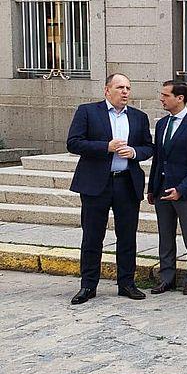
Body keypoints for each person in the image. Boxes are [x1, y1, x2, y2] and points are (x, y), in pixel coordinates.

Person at [66, 74, 153, 304]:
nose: (125, 92)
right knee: (93, 236)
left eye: (128, 87)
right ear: (107, 91)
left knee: (127, 236)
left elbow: (148, 147)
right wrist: (106, 147)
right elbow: (73, 143)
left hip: (126, 182)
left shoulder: (138, 117)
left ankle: (127, 283)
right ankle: (88, 285)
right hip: (96, 184)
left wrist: (134, 153)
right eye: (120, 87)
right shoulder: (87, 112)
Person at [147, 80, 187, 295]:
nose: (161, 99)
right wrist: (152, 187)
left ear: (179, 98)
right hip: (162, 188)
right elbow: (158, 159)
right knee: (165, 235)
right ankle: (167, 277)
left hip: (186, 192)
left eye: (165, 95)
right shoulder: (162, 124)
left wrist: (181, 189)